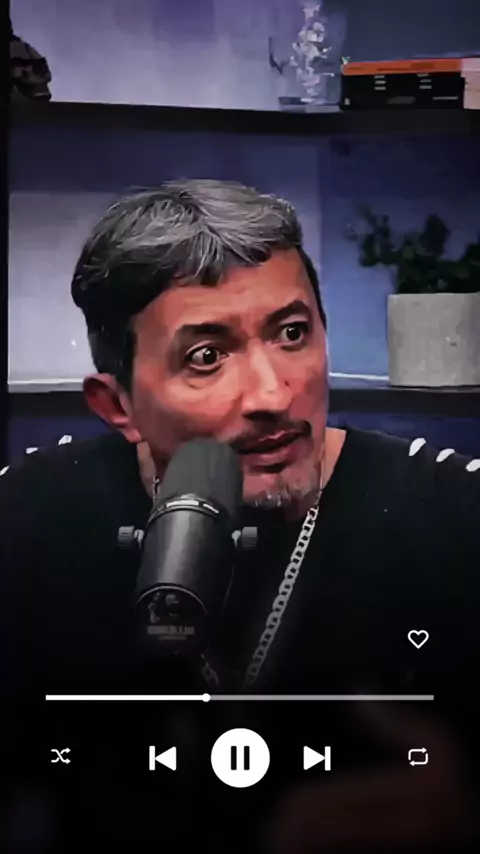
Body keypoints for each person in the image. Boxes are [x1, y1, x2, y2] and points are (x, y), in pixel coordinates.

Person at [3, 179, 479, 850]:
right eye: (207, 356)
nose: (272, 393)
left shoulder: (458, 516)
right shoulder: (23, 518)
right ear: (118, 406)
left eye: (292, 333)